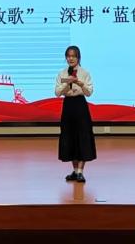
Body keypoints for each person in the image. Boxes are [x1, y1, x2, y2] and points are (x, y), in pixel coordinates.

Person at [55, 45, 96, 183]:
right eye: (68, 56)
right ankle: (75, 170)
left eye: (73, 56)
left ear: (78, 57)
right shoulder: (62, 73)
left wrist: (80, 83)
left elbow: (89, 92)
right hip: (68, 105)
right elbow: (57, 93)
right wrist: (67, 83)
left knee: (83, 136)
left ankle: (80, 172)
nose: (71, 58)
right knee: (69, 137)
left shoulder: (85, 73)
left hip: (80, 105)